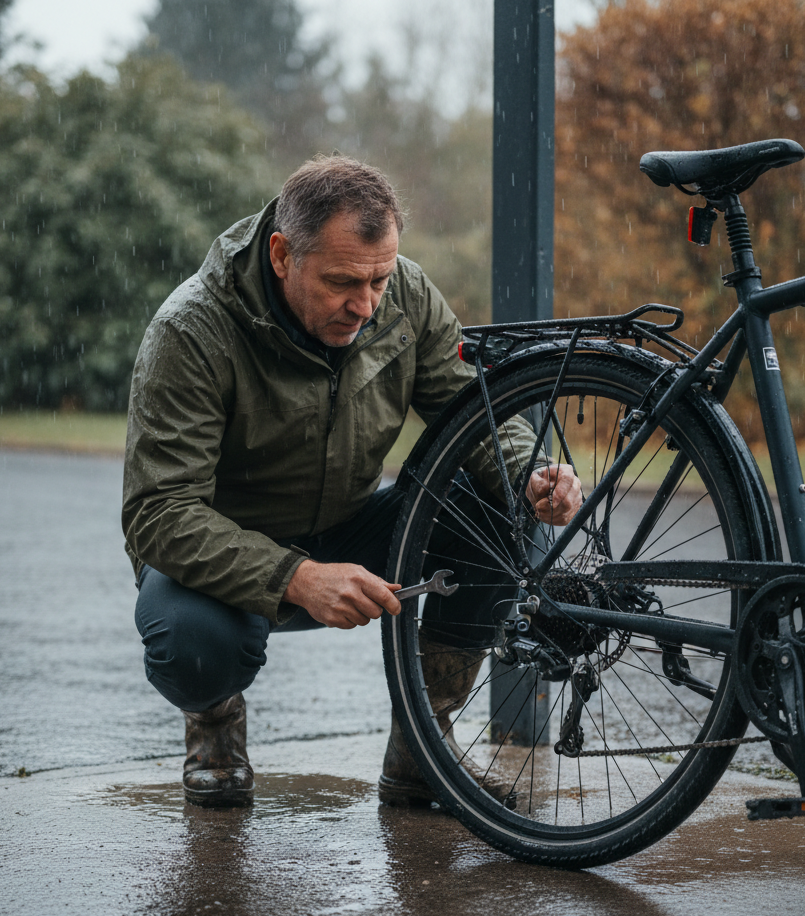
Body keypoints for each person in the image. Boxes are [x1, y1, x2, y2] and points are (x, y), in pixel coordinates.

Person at [122, 155, 581, 809]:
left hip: (350, 522)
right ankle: (215, 727)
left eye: (378, 280)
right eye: (342, 282)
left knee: (493, 515)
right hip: (222, 552)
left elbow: (472, 415)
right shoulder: (192, 331)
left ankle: (421, 748)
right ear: (282, 255)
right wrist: (296, 577)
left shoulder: (408, 298)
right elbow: (159, 513)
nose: (364, 305)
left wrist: (529, 474)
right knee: (191, 649)